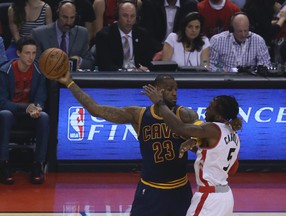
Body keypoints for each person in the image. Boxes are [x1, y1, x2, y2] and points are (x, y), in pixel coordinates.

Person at [54, 68, 199, 215]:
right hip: (150, 189)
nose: (174, 93)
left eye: (176, 89)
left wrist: (193, 142)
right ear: (157, 91)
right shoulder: (139, 115)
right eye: (169, 89)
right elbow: (96, 110)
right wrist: (70, 83)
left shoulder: (185, 114)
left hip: (179, 188)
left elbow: (204, 137)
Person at [143, 85, 242, 216]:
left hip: (209, 197)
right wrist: (195, 144)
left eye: (210, 107)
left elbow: (179, 127)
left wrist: (160, 103)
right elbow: (231, 168)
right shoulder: (234, 134)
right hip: (225, 197)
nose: (206, 109)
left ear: (218, 116)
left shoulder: (212, 128)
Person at [0, 36, 49, 185]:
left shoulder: (39, 73)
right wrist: (25, 108)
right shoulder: (4, 71)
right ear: (18, 53)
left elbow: (41, 98)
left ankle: (37, 165)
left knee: (44, 117)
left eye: (34, 53)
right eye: (27, 53)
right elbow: (2, 102)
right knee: (4, 115)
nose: (31, 57)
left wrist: (37, 108)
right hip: (12, 113)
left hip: (29, 115)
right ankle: (3, 164)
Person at [95, 1, 162, 71]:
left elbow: (147, 61)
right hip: (115, 77)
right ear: (117, 16)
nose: (129, 20)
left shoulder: (143, 34)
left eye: (132, 16)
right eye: (125, 16)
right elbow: (105, 65)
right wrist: (129, 71)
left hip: (139, 77)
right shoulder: (104, 36)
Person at [31, 0, 94, 70]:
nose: (68, 22)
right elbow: (34, 61)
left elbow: (90, 63)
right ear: (57, 15)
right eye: (65, 17)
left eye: (72, 18)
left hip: (74, 78)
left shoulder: (82, 33)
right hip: (48, 78)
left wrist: (79, 60)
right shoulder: (39, 34)